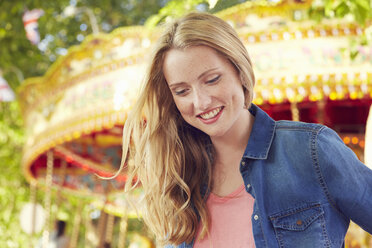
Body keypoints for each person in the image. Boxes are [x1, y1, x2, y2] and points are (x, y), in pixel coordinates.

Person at [118, 12, 372, 247]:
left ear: (240, 71)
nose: (201, 102)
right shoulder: (178, 179)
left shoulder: (312, 150)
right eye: (182, 91)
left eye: (212, 79)